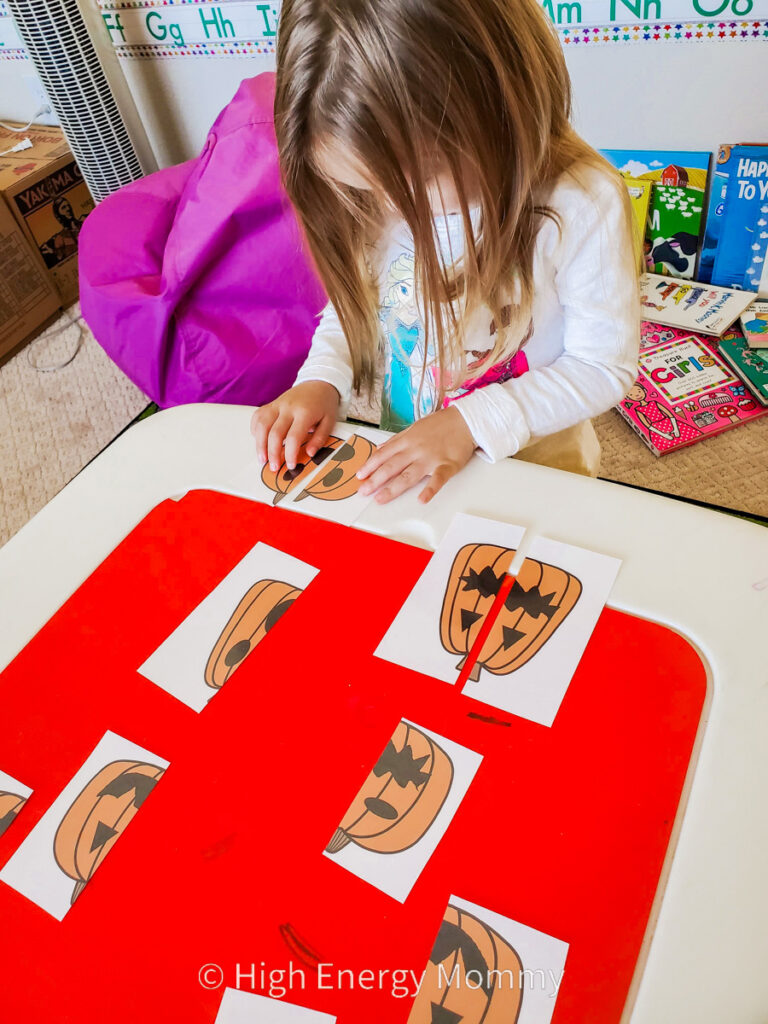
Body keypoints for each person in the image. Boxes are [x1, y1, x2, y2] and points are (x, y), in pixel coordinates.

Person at [251, 0, 640, 504]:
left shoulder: (582, 203)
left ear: (502, 108)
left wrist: (469, 423)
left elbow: (601, 366)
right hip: (420, 465)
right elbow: (359, 307)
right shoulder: (375, 195)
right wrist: (323, 377)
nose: (391, 209)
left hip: (539, 471)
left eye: (419, 181)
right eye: (365, 188)